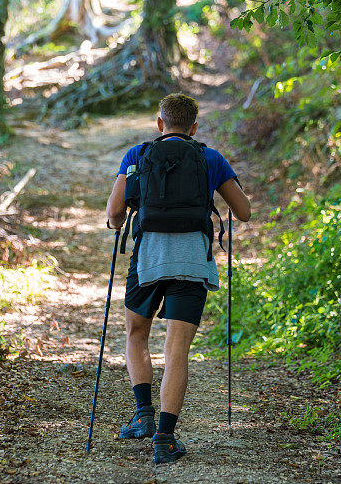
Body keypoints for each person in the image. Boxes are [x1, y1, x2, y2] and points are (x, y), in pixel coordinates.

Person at [105, 93, 251, 464]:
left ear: (159, 123)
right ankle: (165, 439)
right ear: (195, 127)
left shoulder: (137, 156)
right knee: (177, 351)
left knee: (136, 334)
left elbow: (115, 213)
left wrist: (118, 221)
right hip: (192, 261)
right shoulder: (210, 158)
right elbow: (244, 212)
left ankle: (142, 416)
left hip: (148, 260)